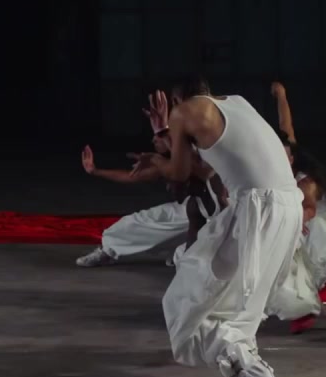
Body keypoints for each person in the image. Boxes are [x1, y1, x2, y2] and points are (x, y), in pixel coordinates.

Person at [132, 76, 303, 377]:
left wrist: (155, 157)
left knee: (185, 299)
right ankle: (246, 362)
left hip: (257, 209)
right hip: (288, 206)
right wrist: (165, 132)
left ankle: (250, 371)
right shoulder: (238, 103)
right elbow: (207, 169)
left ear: (177, 101)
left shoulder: (183, 112)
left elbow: (180, 174)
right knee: (236, 302)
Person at [76, 89, 224, 268]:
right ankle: (109, 250)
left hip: (218, 213)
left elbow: (196, 170)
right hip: (194, 209)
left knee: (186, 248)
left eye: (158, 137)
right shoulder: (168, 158)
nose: (153, 141)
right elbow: (131, 177)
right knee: (141, 221)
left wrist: (162, 131)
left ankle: (183, 252)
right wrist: (95, 171)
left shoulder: (197, 146)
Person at [264, 82, 326, 333]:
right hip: (300, 221)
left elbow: (309, 210)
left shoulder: (305, 180)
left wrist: (293, 224)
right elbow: (286, 126)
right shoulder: (274, 166)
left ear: (291, 158)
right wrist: (281, 96)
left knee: (306, 228)